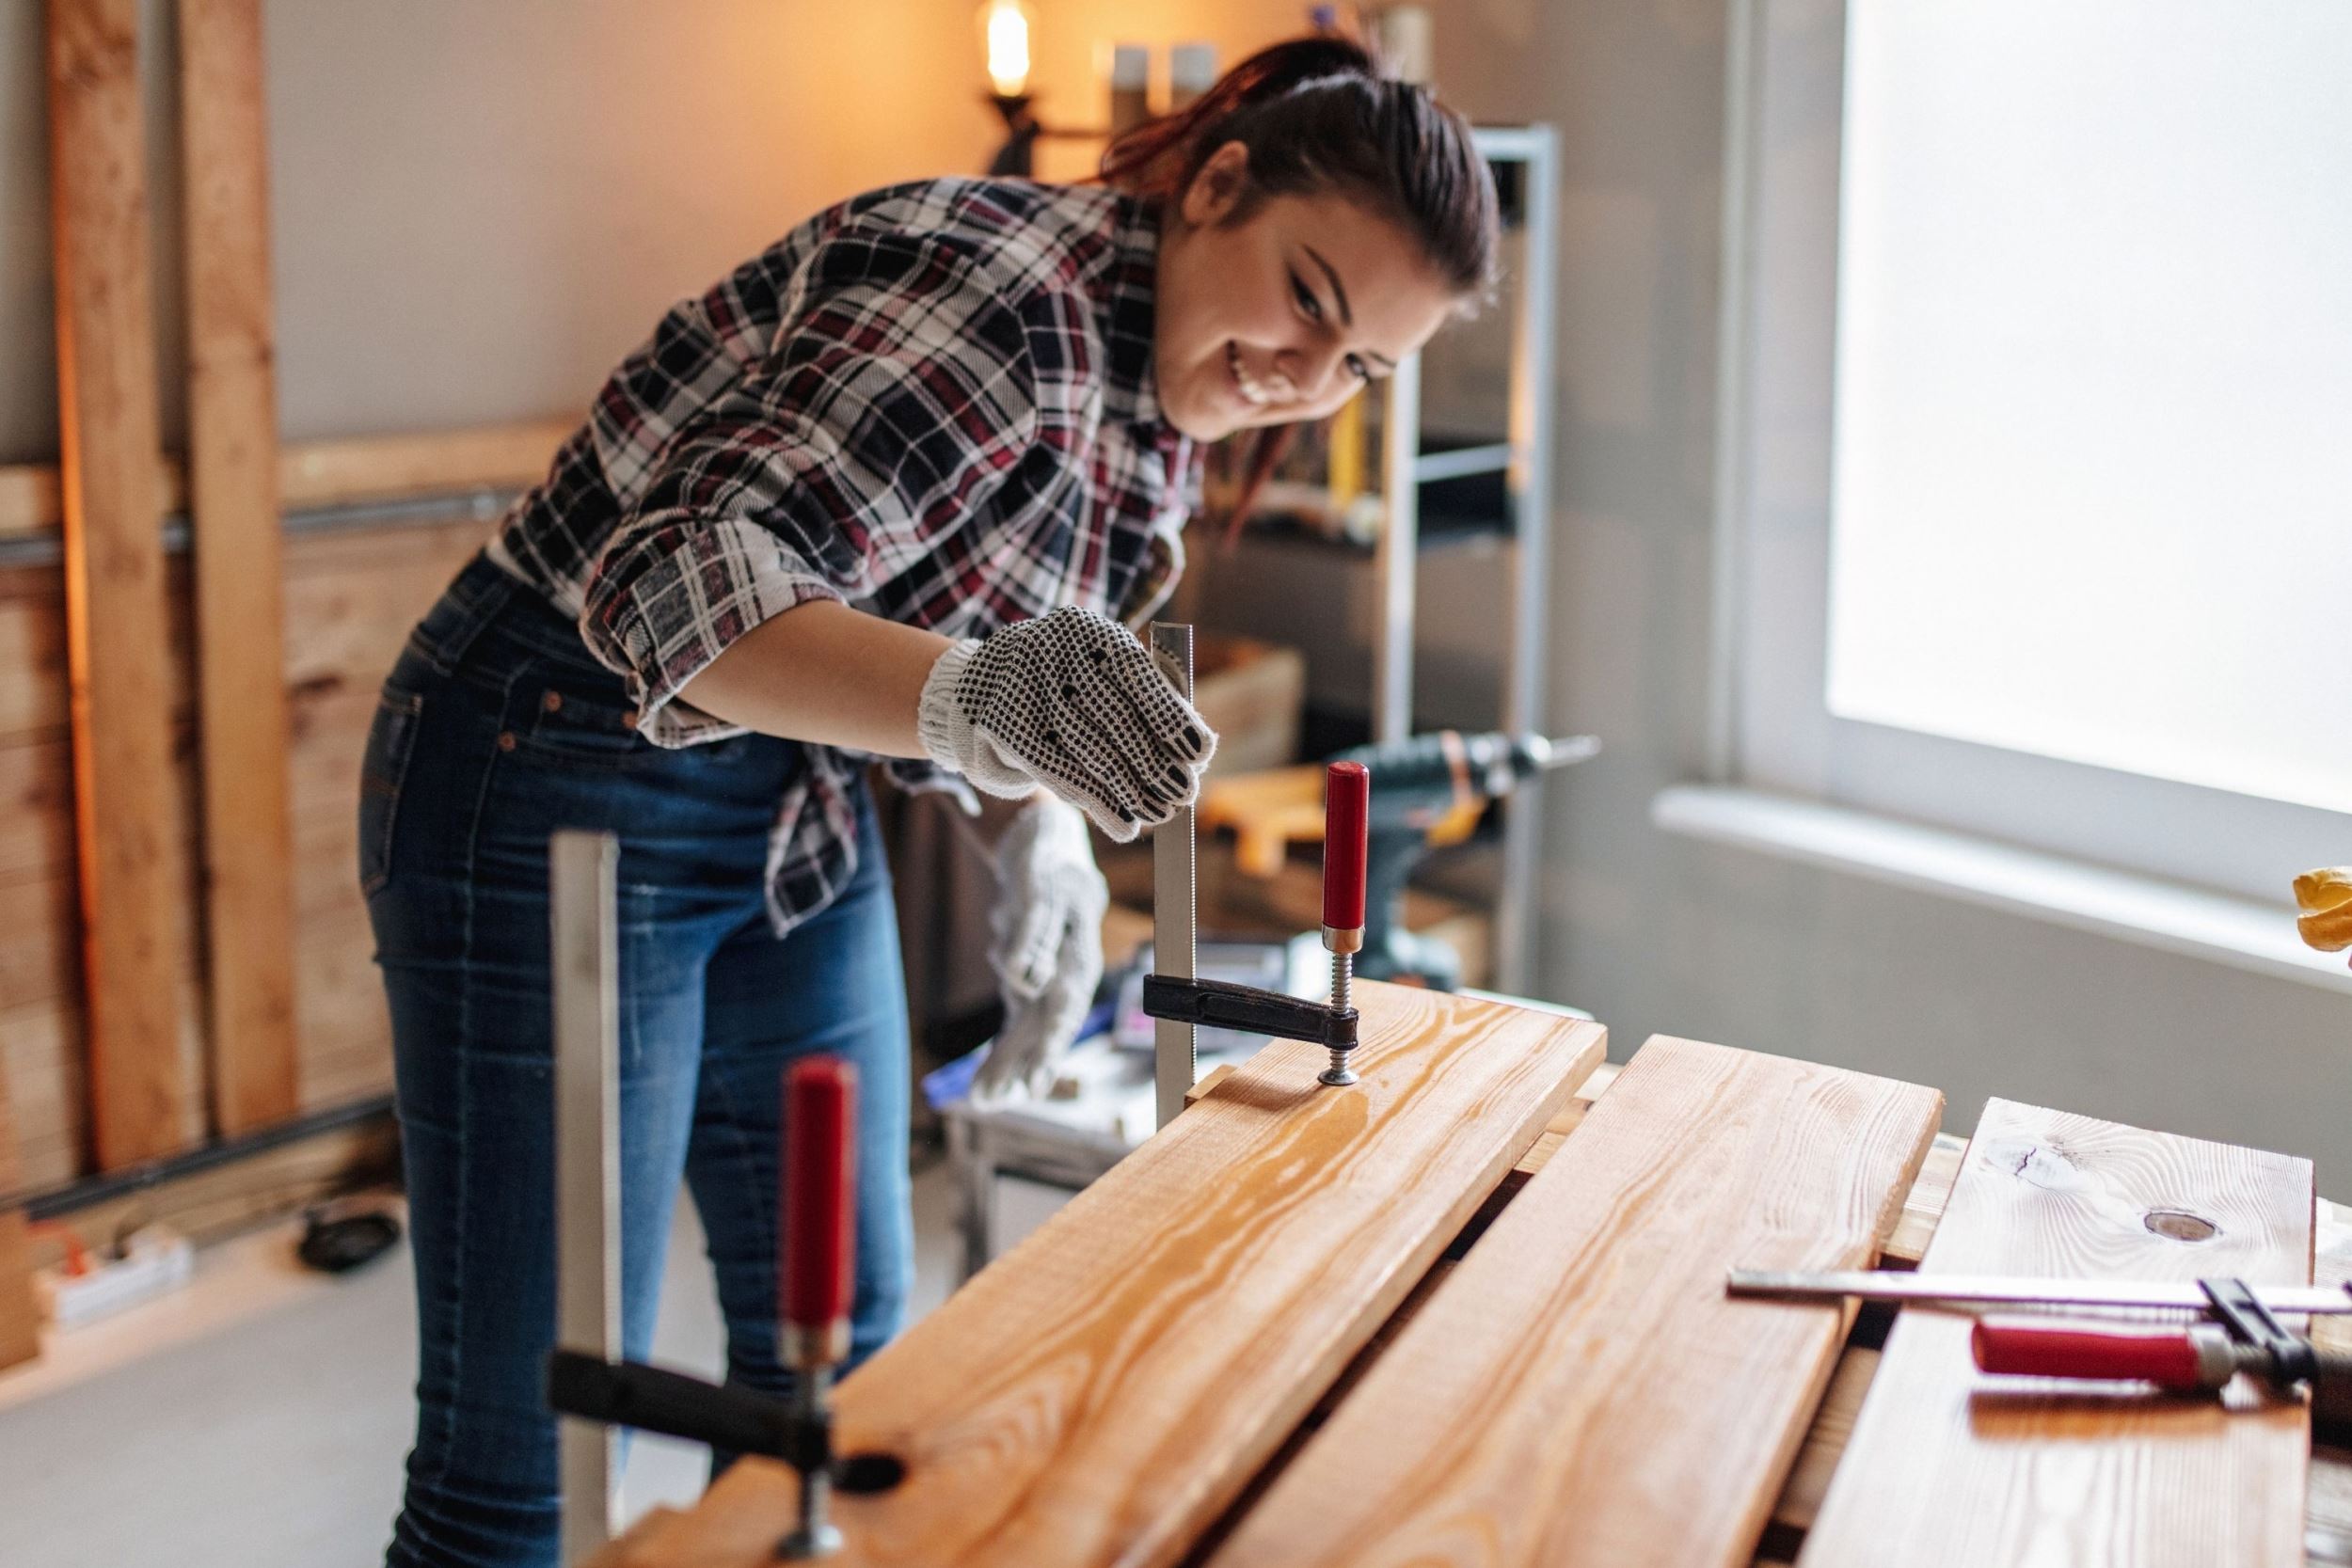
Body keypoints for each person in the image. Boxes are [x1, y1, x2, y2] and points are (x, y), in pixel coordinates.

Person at [359, 32, 1497, 1567]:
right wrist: (972, 709)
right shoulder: (1001, 304)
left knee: (843, 1372)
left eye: (1356, 365)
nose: (1303, 378)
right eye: (1308, 298)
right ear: (1219, 184)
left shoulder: (1166, 385)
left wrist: (1034, 825)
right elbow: (671, 581)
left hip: (783, 790)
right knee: (535, 1460)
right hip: (542, 752)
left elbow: (971, 608)